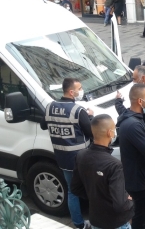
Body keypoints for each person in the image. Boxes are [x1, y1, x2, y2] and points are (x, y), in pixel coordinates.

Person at [40, 78, 92, 229]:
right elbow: (90, 132)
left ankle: (78, 224)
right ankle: (98, 222)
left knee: (72, 191)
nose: (81, 91)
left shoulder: (49, 107)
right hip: (82, 159)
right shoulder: (78, 110)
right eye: (79, 88)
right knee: (92, 189)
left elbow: (44, 125)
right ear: (71, 92)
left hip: (63, 159)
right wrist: (89, 117)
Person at [71, 114, 134, 229]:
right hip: (116, 222)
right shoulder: (114, 165)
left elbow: (75, 188)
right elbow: (120, 204)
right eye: (114, 129)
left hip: (96, 220)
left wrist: (95, 197)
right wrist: (129, 201)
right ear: (110, 133)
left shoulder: (81, 155)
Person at [116, 84, 145, 229]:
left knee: (140, 214)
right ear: (140, 101)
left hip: (137, 176)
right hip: (139, 181)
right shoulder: (133, 125)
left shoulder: (133, 118)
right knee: (140, 218)